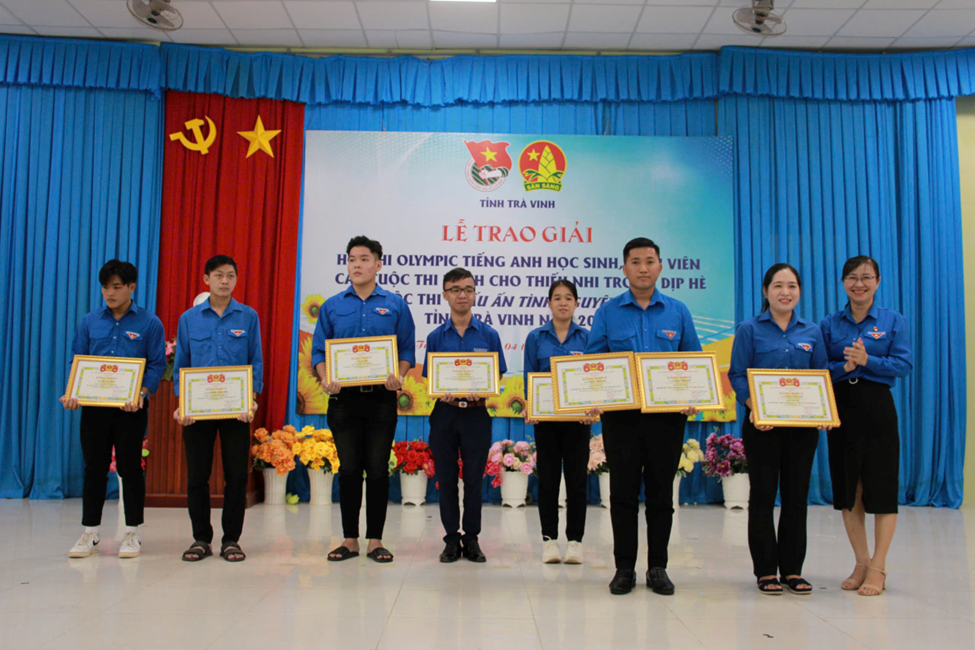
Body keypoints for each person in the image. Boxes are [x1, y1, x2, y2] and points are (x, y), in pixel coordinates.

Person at [585, 238, 701, 596]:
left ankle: (658, 567)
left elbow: (693, 361)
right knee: (622, 494)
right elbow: (595, 361)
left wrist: (694, 396)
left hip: (667, 418)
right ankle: (624, 568)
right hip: (621, 418)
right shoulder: (608, 312)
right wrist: (592, 397)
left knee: (661, 496)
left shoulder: (678, 311)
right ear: (624, 269)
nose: (643, 268)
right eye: (635, 262)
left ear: (660, 266)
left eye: (650, 261)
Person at [312, 236, 415, 563]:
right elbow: (319, 351)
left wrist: (399, 375)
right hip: (343, 401)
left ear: (378, 264)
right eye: (352, 259)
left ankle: (375, 540)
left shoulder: (395, 304)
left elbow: (407, 348)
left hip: (381, 400)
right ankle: (349, 539)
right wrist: (325, 378)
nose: (357, 265)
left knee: (378, 470)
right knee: (350, 470)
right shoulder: (332, 306)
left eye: (364, 259)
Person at [728, 263, 830, 596]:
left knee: (796, 498)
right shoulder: (749, 329)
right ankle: (765, 571)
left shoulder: (812, 331)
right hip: (762, 426)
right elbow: (737, 374)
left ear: (799, 291)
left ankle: (793, 570)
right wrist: (753, 406)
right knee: (762, 497)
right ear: (765, 291)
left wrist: (823, 410)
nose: (785, 292)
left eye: (792, 286)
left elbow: (821, 377)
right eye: (778, 286)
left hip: (802, 430)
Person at [61, 260, 166, 559]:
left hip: (131, 409)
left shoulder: (150, 323)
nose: (110, 293)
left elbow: (157, 364)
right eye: (105, 287)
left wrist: (141, 392)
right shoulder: (89, 321)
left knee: (130, 468)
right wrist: (73, 393)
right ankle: (90, 532)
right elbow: (78, 360)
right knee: (93, 467)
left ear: (132, 287)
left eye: (117, 287)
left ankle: (132, 532)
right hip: (94, 408)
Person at [821, 255, 912, 596]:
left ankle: (878, 566)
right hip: (842, 408)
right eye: (852, 278)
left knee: (882, 487)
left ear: (877, 281)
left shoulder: (892, 320)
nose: (859, 284)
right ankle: (861, 562)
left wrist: (867, 360)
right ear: (843, 282)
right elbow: (819, 370)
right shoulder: (830, 324)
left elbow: (903, 365)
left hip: (878, 408)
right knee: (850, 490)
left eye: (866, 277)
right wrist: (843, 368)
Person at [172, 255, 262, 563]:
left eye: (231, 275)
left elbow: (255, 361)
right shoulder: (189, 318)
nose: (225, 281)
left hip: (236, 410)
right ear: (206, 279)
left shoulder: (248, 316)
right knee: (198, 476)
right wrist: (182, 403)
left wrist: (251, 400)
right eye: (219, 275)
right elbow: (182, 364)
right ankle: (201, 538)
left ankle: (231, 540)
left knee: (236, 476)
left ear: (236, 279)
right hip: (198, 411)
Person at [424, 268, 507, 563]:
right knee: (446, 479)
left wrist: (482, 389)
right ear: (445, 295)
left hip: (476, 415)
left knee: (473, 480)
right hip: (444, 414)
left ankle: (471, 539)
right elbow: (431, 378)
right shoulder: (435, 337)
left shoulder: (489, 335)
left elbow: (496, 375)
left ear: (475, 294)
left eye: (468, 289)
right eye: (456, 289)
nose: (463, 295)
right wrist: (441, 392)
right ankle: (450, 539)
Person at [524, 279, 593, 565]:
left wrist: (592, 407)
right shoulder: (536, 338)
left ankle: (575, 541)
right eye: (557, 298)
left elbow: (594, 377)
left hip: (578, 423)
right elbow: (530, 377)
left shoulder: (588, 338)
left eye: (568, 298)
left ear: (576, 303)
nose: (563, 302)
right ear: (549, 303)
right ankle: (549, 540)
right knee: (548, 482)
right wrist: (531, 406)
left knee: (577, 482)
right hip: (547, 423)